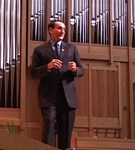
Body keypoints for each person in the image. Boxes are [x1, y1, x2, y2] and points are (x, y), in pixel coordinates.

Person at [31, 20, 84, 150]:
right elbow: (33, 73)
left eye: (64, 29)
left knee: (66, 132)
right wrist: (48, 67)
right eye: (59, 28)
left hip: (68, 98)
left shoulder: (72, 48)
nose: (62, 31)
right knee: (49, 126)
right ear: (50, 30)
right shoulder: (40, 50)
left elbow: (81, 70)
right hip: (49, 97)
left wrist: (75, 69)